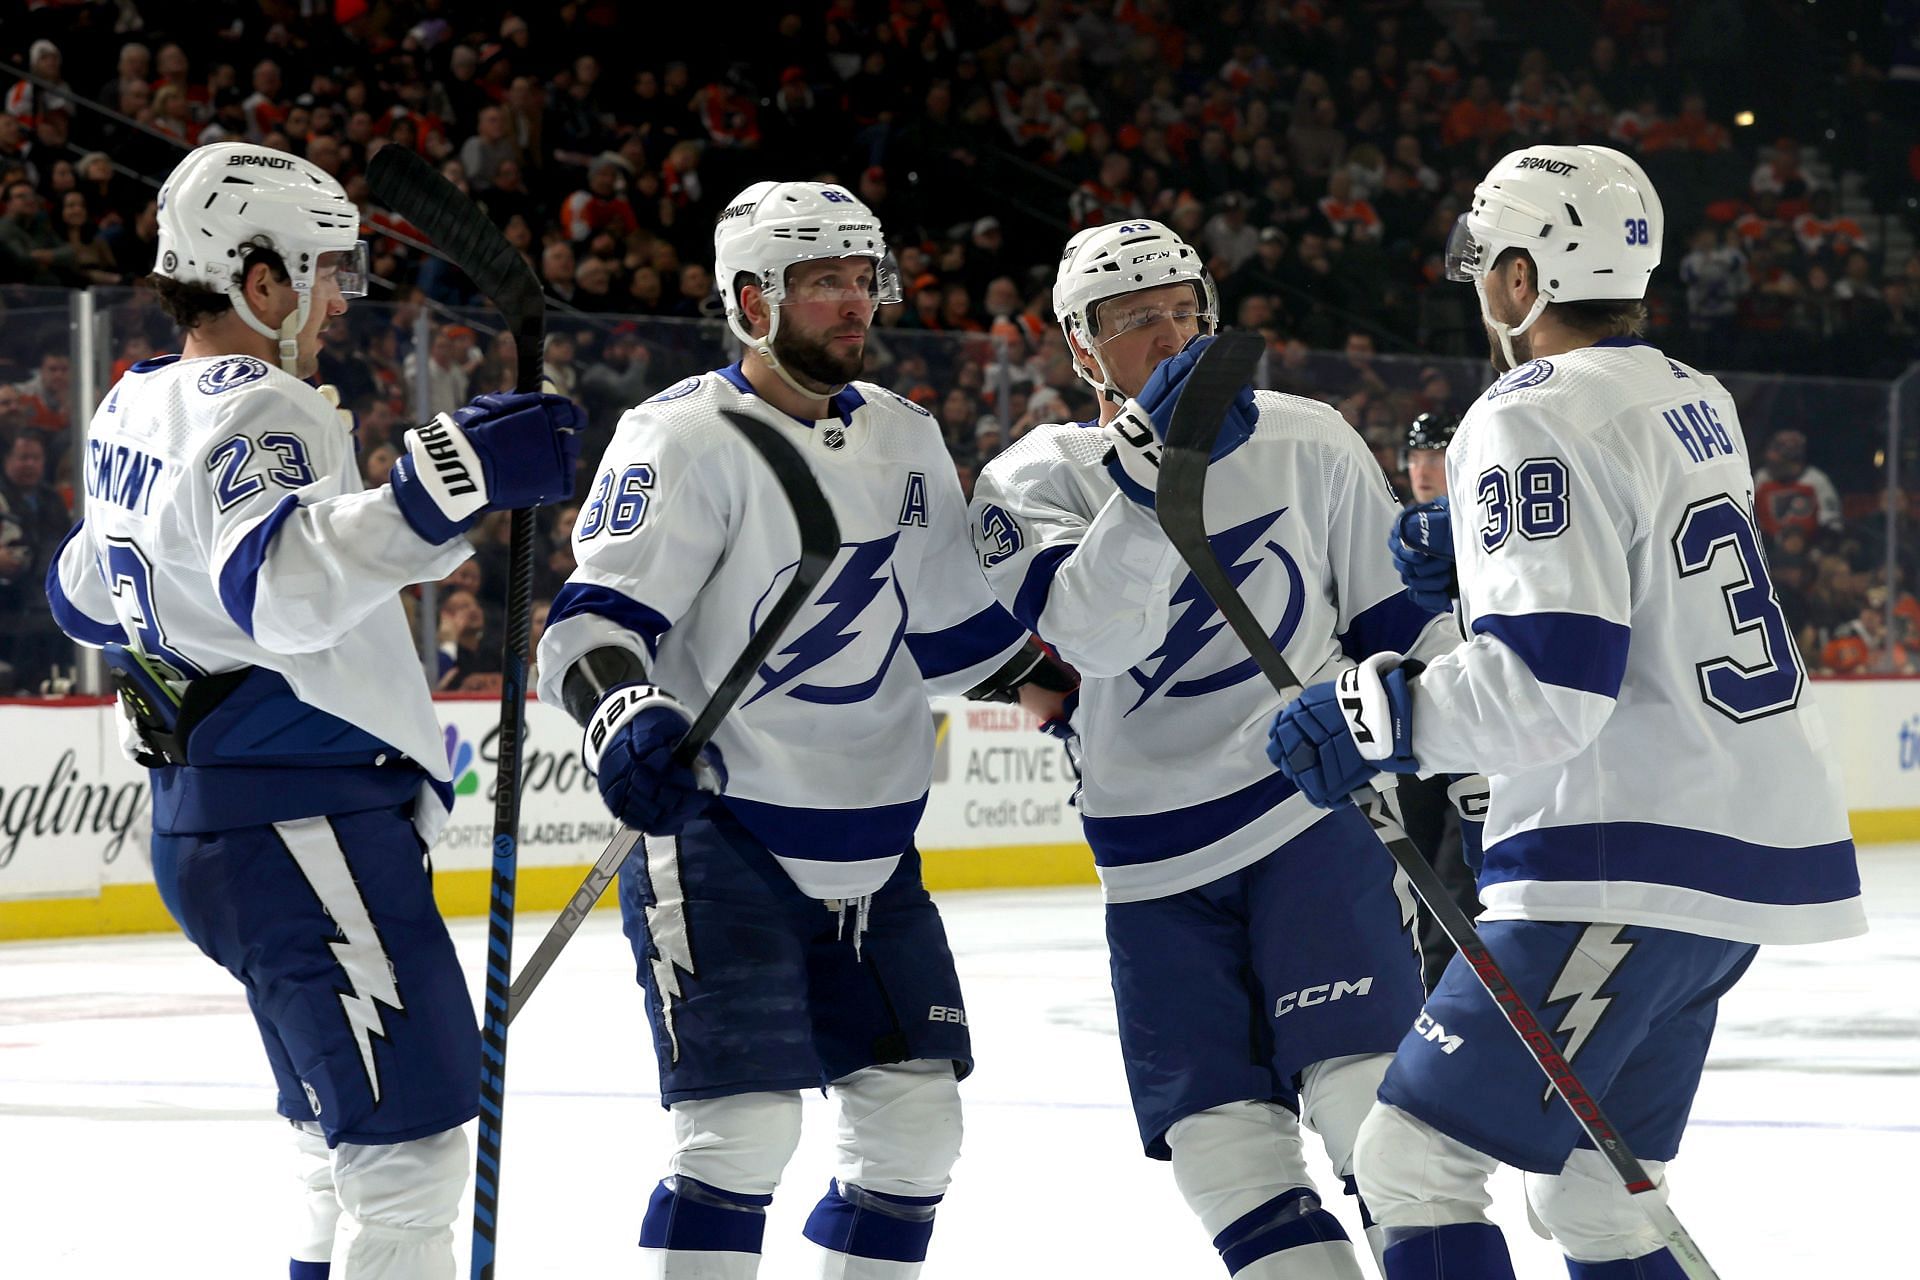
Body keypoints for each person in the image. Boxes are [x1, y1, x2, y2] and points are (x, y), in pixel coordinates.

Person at [1270, 144, 1865, 1279]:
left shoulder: (1523, 411)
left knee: (1411, 1164)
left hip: (1623, 855)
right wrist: (1486, 566)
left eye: (1489, 267)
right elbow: (1648, 587)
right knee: (1595, 1200)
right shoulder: (1697, 395)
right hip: (1735, 856)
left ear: (1518, 276)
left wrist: (1368, 715)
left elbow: (1549, 689)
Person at [44, 141, 583, 1280]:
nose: (342, 296)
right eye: (326, 270)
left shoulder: (133, 401)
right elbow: (283, 592)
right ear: (258, 276)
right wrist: (450, 486)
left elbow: (84, 593)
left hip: (220, 825)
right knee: (409, 1152)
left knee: (329, 1140)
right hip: (303, 825)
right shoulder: (267, 404)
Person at [534, 180, 1071, 1279]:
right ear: (749, 297)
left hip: (877, 849)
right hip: (726, 836)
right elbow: (590, 625)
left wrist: (1055, 686)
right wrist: (624, 715)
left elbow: (951, 626)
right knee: (739, 1135)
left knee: (917, 1129)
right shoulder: (680, 436)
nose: (852, 304)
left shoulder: (907, 437)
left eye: (862, 280)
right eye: (822, 282)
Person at [968, 219, 1458, 1280]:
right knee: (1225, 1153)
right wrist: (1157, 468)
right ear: (1079, 344)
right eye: (1131, 317)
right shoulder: (1030, 479)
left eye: (1183, 308)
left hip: (1309, 819)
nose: (1167, 331)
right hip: (1149, 868)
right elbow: (1094, 634)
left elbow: (1399, 635)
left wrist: (1443, 733)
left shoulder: (1307, 435)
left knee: (1376, 1117)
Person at [1385, 410, 1488, 990]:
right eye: (1417, 456)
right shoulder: (1390, 528)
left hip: (1475, 733)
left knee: (1459, 879)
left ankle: (1459, 1001)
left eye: (1435, 455)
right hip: (1409, 726)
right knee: (1413, 873)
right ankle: (1424, 998)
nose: (1423, 469)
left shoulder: (1489, 530)